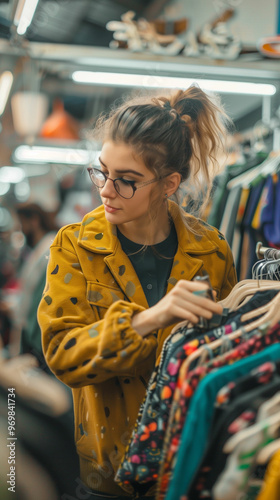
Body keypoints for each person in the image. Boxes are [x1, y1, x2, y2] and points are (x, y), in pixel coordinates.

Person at [38, 85, 237, 499]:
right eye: (102, 172)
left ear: (170, 183)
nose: (106, 190)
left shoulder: (212, 249)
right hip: (107, 478)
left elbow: (230, 355)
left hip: (190, 466)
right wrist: (149, 319)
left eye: (127, 181)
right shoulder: (76, 245)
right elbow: (63, 353)